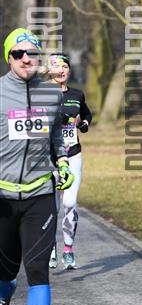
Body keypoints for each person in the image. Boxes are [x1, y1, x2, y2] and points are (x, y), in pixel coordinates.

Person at [0, 28, 74, 305]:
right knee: (4, 273)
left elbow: (57, 133)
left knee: (37, 270)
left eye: (32, 53)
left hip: (40, 194)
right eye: (19, 54)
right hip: (2, 198)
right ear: (9, 57)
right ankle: (4, 293)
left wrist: (62, 160)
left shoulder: (51, 94)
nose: (27, 59)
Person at [48, 53, 92, 270]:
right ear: (49, 71)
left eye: (64, 66)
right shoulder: (40, 95)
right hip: (49, 158)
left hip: (73, 153)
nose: (61, 70)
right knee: (51, 208)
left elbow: (86, 114)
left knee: (69, 203)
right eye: (56, 66)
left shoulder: (77, 94)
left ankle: (68, 249)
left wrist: (84, 124)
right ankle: (51, 249)